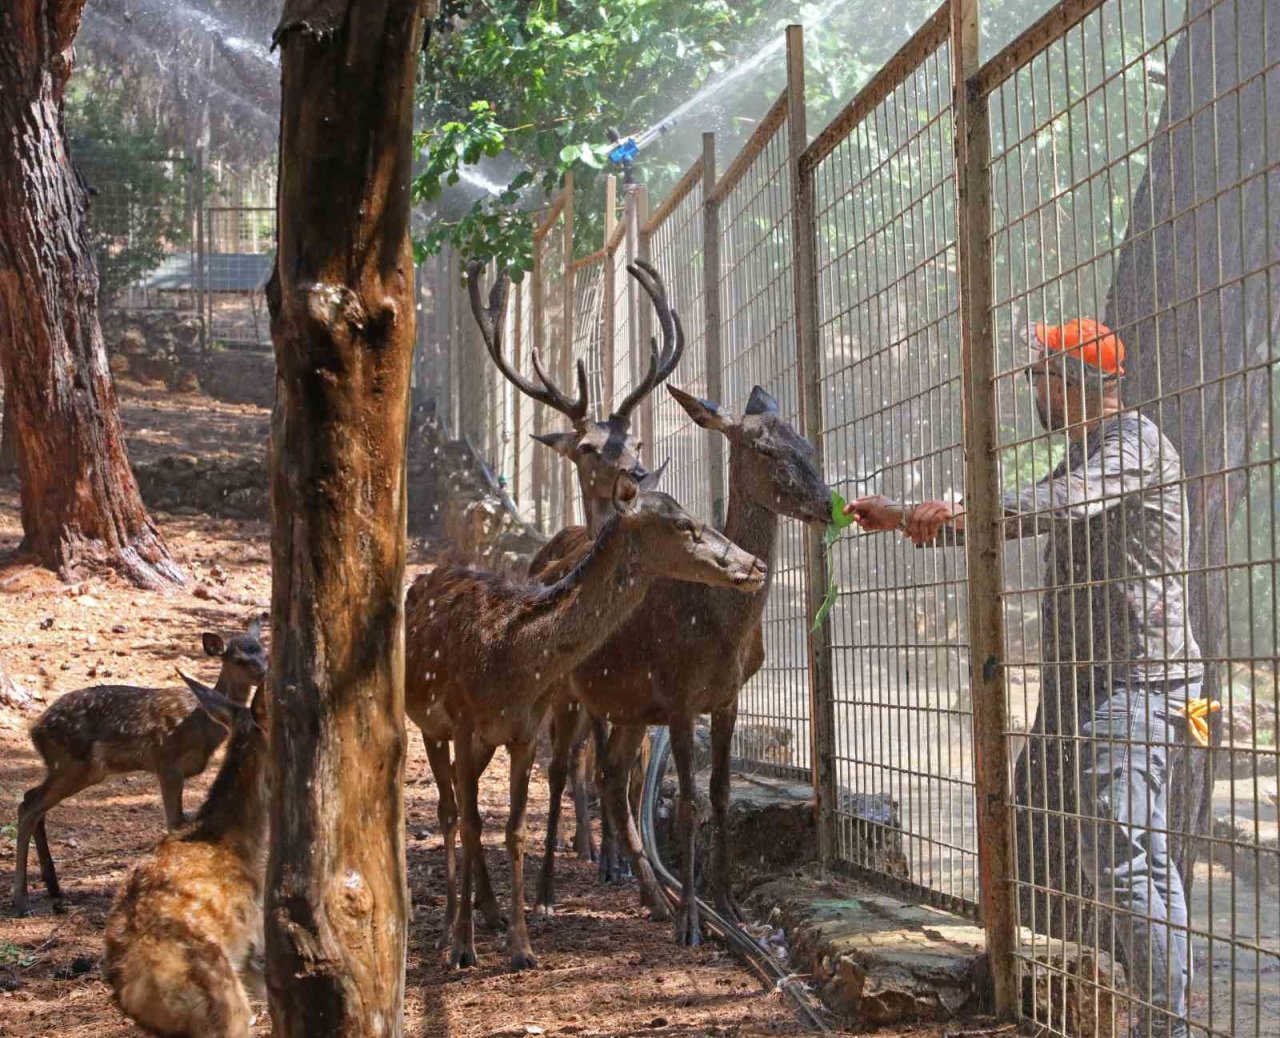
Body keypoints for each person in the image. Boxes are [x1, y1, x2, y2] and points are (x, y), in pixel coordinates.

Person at [845, 319, 1202, 1038]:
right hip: (1081, 687)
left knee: (1130, 863)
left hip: (1136, 686)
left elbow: (1055, 506)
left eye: (1037, 374)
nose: (1027, 386)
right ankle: (1040, 1002)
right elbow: (1016, 519)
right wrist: (905, 519)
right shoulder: (1087, 450)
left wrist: (938, 511)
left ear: (1071, 384)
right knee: (1037, 836)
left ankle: (1167, 1030)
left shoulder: (1130, 445)